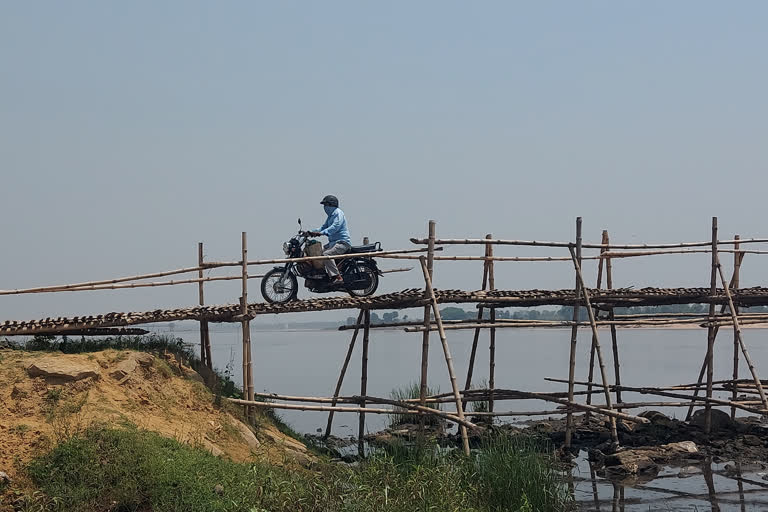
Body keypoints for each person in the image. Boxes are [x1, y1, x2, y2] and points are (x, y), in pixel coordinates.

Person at [308, 195, 351, 283]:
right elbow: (323, 227)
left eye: (326, 205)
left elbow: (335, 226)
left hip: (342, 243)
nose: (325, 208)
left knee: (326, 255)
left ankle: (338, 277)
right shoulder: (330, 216)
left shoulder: (338, 213)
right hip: (333, 243)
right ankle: (325, 275)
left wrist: (322, 233)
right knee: (319, 254)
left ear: (331, 205)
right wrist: (310, 232)